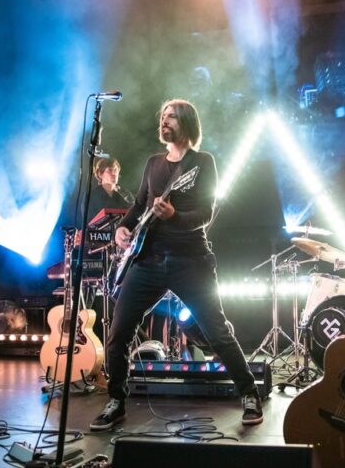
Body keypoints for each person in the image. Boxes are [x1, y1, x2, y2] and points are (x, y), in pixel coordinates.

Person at [90, 99, 262, 430]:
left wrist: (174, 216)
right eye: (163, 116)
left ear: (187, 124)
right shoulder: (153, 163)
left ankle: (249, 393)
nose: (165, 121)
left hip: (190, 260)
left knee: (218, 332)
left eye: (172, 116)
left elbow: (206, 214)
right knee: (119, 331)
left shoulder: (202, 162)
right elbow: (139, 205)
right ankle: (116, 401)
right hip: (148, 259)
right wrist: (123, 227)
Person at [86, 156, 133, 221]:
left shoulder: (126, 193)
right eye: (110, 170)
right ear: (100, 174)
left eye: (115, 170)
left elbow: (134, 213)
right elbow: (90, 221)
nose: (114, 174)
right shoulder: (91, 196)